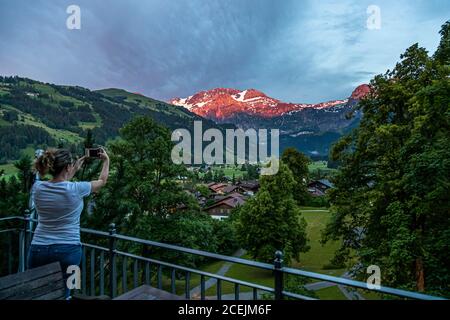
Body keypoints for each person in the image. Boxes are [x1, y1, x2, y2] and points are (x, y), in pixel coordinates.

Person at [27, 148, 110, 298]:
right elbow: (102, 182)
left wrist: (72, 169)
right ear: (67, 167)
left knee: (38, 294)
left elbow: (61, 184)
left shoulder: (37, 188)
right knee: (67, 292)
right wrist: (106, 161)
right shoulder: (77, 189)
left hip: (38, 249)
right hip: (69, 251)